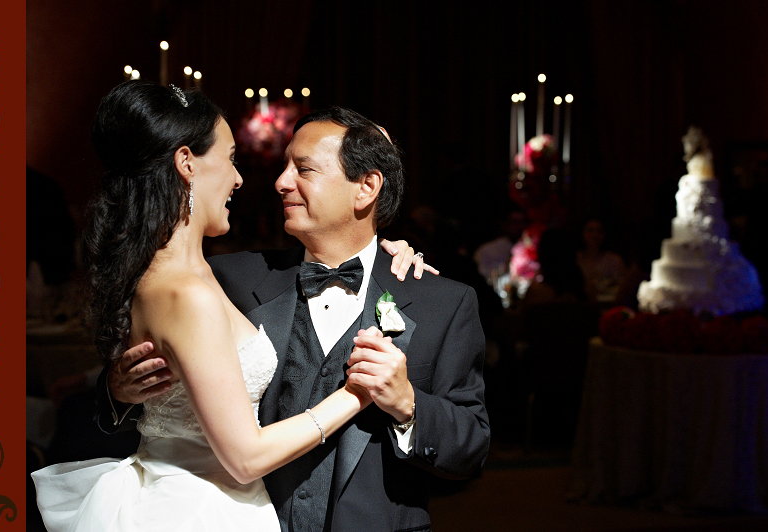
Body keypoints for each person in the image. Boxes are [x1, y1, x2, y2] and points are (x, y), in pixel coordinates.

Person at [31, 81, 429, 532]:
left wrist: (379, 253)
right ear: (186, 163)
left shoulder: (214, 276)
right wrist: (358, 394)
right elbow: (245, 457)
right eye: (231, 158)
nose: (241, 178)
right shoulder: (188, 292)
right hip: (198, 509)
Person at [103, 106, 491, 531]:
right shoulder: (228, 280)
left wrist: (407, 405)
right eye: (285, 165)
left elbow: (470, 449)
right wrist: (116, 392)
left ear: (366, 188)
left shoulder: (442, 303)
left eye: (303, 169)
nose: (281, 182)